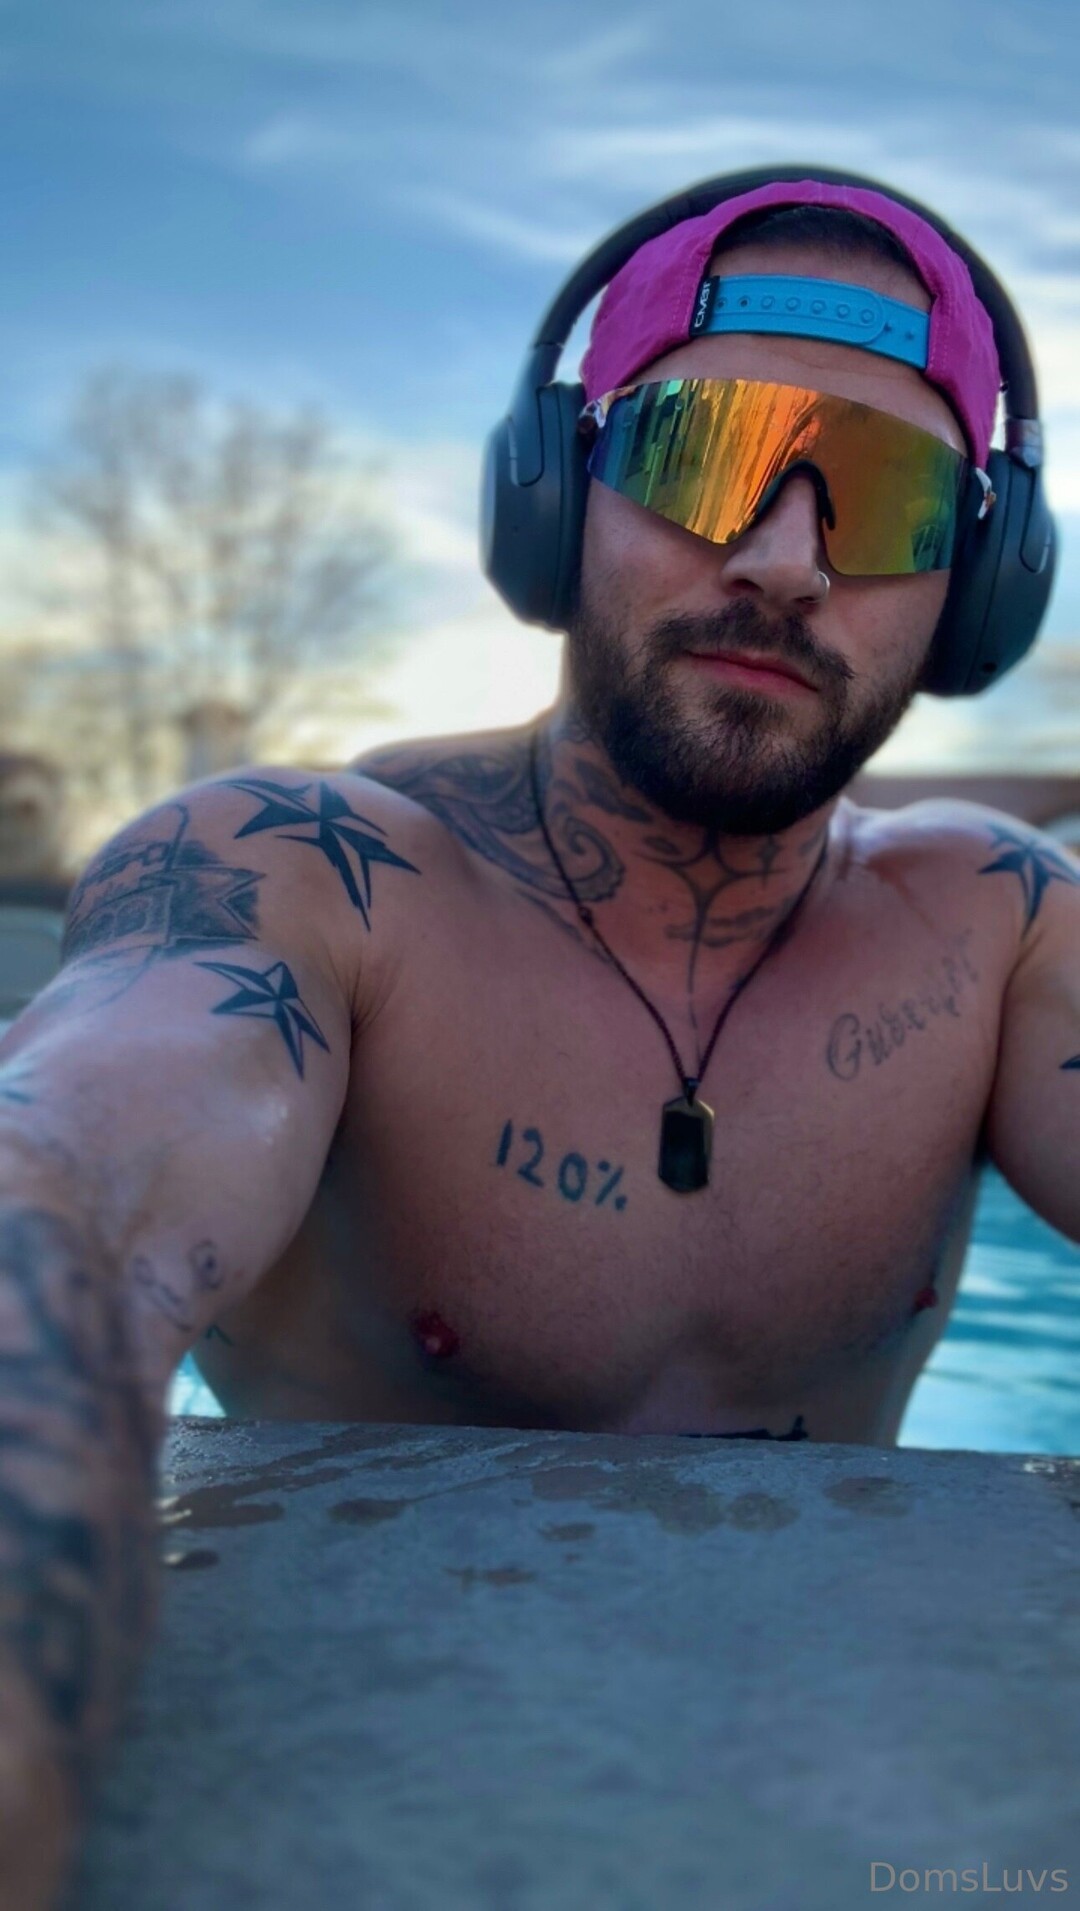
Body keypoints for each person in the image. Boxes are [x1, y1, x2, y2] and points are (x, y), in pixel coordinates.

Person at [0, 169, 1076, 1904]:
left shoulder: (1000, 925)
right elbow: (59, 1205)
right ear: (555, 492)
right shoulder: (304, 876)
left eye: (890, 499)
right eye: (706, 452)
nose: (783, 559)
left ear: (980, 584)